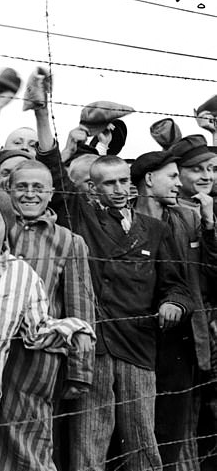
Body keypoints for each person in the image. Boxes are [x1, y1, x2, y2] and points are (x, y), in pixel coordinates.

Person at [0, 85, 96, 471]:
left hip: (36, 360)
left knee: (28, 444)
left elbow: (81, 308)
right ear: (8, 190)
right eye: (22, 187)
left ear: (51, 193)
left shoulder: (69, 241)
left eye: (38, 188)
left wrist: (80, 372)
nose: (30, 194)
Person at [36, 123, 193, 470]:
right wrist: (41, 116)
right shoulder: (83, 217)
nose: (120, 189)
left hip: (139, 345)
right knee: (90, 441)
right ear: (93, 188)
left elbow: (176, 284)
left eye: (124, 181)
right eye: (110, 183)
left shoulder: (154, 229)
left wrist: (173, 303)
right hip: (97, 347)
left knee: (142, 440)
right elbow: (56, 178)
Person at [132, 149, 217, 469]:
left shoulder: (188, 216)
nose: (178, 184)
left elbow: (210, 273)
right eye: (172, 176)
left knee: (173, 425)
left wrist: (209, 227)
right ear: (149, 180)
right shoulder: (127, 219)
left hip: (181, 334)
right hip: (138, 335)